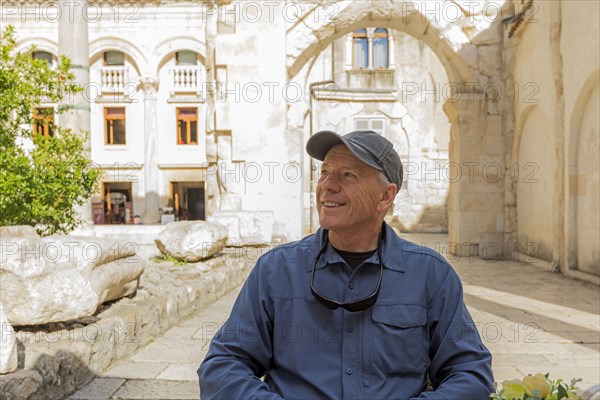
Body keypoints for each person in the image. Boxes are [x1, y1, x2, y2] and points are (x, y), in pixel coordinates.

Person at [198, 130, 494, 399]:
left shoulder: (430, 274)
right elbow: (223, 366)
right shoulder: (277, 269)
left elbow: (471, 375)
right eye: (325, 172)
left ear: (385, 196)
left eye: (348, 175)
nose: (327, 185)